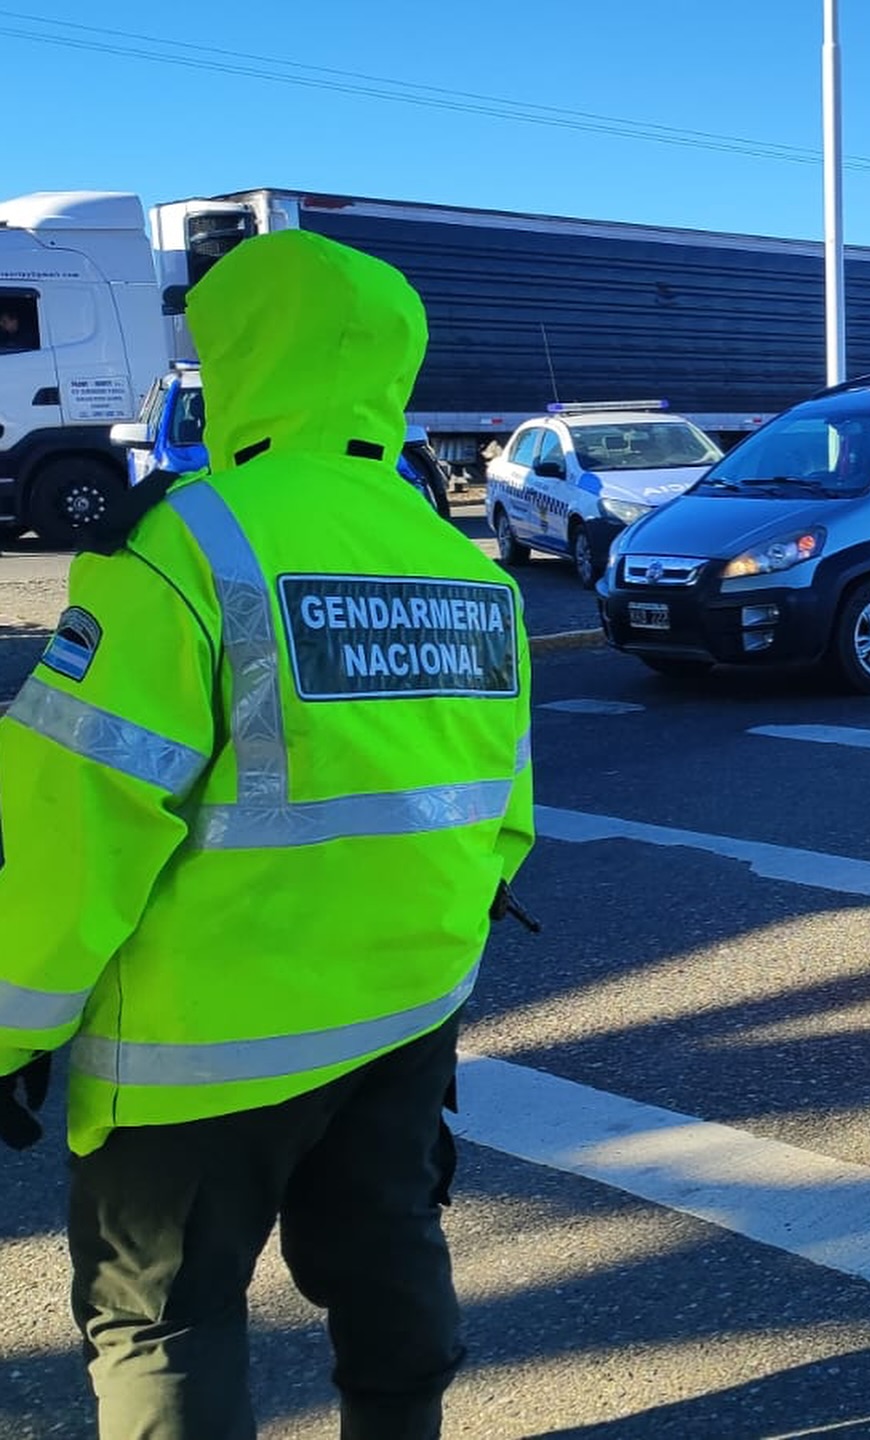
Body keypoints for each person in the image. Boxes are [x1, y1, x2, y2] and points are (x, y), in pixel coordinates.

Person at [0, 229, 535, 1438]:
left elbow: (75, 825)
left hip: (200, 1053)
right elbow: (503, 823)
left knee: (164, 1324)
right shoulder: (466, 568)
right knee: (387, 1251)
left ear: (239, 358)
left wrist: (10, 1023)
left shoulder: (185, 544)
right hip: (404, 1015)